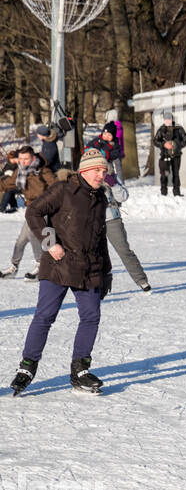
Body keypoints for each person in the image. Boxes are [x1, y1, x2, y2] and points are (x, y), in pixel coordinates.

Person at [9, 149, 114, 395]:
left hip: (89, 267)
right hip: (58, 263)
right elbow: (33, 211)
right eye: (98, 170)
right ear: (85, 170)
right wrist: (50, 243)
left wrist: (106, 272)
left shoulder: (101, 198)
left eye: (104, 171)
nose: (102, 175)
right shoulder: (64, 190)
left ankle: (80, 370)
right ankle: (27, 367)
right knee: (45, 316)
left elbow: (101, 238)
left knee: (91, 316)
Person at [1, 147, 59, 279]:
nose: (23, 161)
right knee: (21, 240)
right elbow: (9, 183)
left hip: (42, 209)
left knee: (34, 236)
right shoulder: (21, 171)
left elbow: (57, 187)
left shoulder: (43, 171)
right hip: (31, 210)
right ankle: (13, 268)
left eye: (26, 159)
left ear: (33, 158)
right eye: (20, 159)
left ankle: (41, 266)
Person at [102, 170, 151, 292]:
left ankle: (141, 280)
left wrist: (113, 184)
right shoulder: (84, 175)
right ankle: (97, 285)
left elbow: (123, 197)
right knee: (94, 254)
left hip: (111, 219)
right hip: (91, 221)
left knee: (124, 250)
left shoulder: (110, 174)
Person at [153, 111, 186, 196]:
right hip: (165, 155)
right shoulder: (161, 129)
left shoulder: (178, 128)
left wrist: (177, 146)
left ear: (172, 119)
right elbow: (155, 141)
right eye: (165, 119)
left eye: (169, 119)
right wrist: (163, 144)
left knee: (176, 173)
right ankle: (163, 192)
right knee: (164, 174)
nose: (167, 121)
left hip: (176, 155)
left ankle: (177, 192)